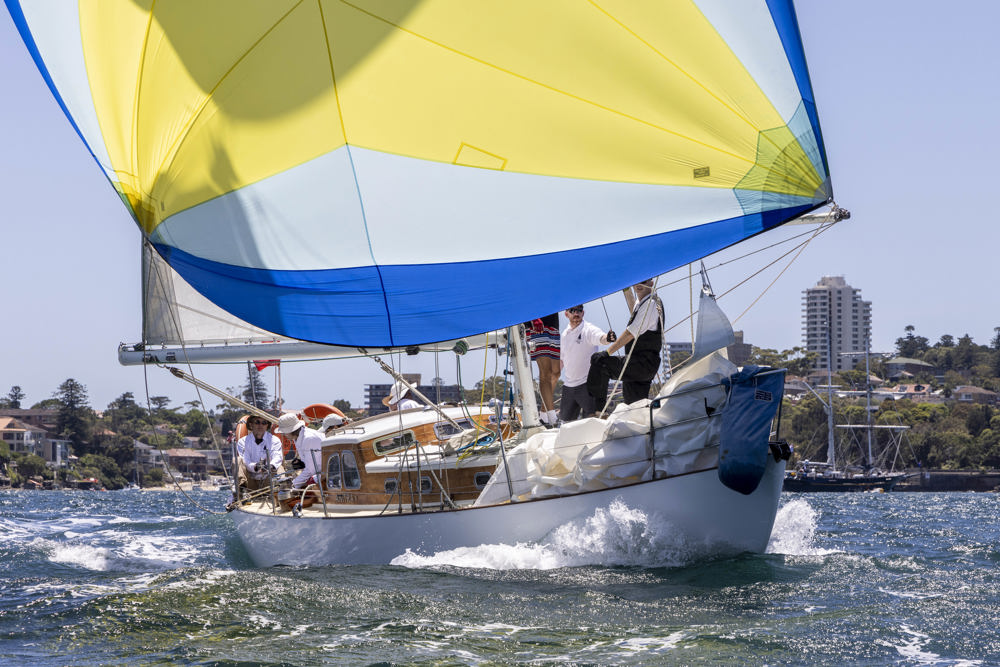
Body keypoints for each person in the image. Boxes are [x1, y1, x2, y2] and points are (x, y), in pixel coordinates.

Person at [587, 278, 664, 414]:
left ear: (651, 283)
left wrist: (607, 353)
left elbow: (630, 333)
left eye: (644, 282)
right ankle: (643, 431)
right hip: (640, 366)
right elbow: (633, 309)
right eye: (636, 281)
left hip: (642, 364)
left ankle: (598, 411)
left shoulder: (650, 304)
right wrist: (626, 288)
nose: (639, 285)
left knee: (599, 362)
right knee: (634, 409)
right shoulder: (642, 303)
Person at [559, 305, 616, 422]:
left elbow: (600, 337)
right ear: (566, 314)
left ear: (583, 313)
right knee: (566, 424)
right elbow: (562, 359)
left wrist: (608, 338)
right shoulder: (564, 334)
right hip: (568, 386)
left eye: (579, 311)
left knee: (593, 421)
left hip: (587, 385)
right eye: (572, 310)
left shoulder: (588, 329)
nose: (576, 313)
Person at [525, 313, 560, 425]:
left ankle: (544, 416)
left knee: (556, 373)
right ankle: (552, 419)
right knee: (546, 373)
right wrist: (534, 318)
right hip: (537, 325)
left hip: (552, 324)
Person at [235, 416, 285, 494]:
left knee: (279, 467)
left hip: (268, 480)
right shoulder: (242, 442)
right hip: (250, 482)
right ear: (251, 425)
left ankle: (282, 493)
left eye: (264, 423)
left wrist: (270, 466)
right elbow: (245, 460)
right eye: (257, 422)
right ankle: (243, 490)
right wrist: (255, 466)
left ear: (267, 425)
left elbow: (277, 457)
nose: (260, 425)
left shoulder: (275, 440)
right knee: (237, 460)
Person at [277, 412, 325, 489]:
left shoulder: (308, 439)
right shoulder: (298, 438)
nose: (283, 434)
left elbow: (310, 470)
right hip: (317, 475)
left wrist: (293, 485)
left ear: (290, 431)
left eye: (284, 432)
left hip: (324, 477)